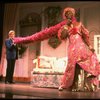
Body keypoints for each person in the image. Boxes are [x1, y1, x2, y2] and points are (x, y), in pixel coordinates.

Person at [13, 7, 100, 92]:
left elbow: (85, 36)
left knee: (88, 60)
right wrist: (66, 27)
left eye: (70, 13)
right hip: (72, 49)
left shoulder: (79, 24)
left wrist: (90, 46)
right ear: (65, 16)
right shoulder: (63, 26)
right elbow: (62, 36)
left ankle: (86, 83)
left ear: (73, 15)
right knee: (71, 66)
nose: (69, 15)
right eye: (67, 14)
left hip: (81, 47)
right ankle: (66, 84)